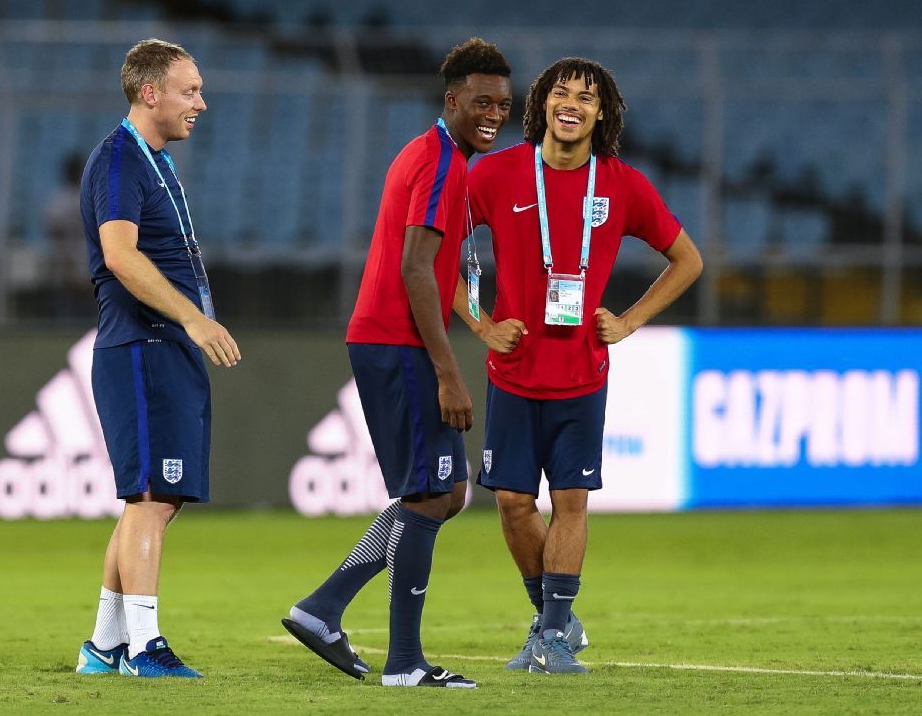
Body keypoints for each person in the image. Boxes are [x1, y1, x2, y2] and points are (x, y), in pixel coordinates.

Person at [281, 38, 513, 689]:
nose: (494, 112)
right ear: (452, 100)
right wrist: (448, 370)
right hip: (399, 341)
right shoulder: (442, 163)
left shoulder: (431, 154)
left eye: (502, 102)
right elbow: (415, 267)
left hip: (390, 337)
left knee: (443, 492)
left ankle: (323, 607)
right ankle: (404, 661)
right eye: (481, 101)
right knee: (431, 492)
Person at [464, 57, 703, 674]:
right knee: (514, 504)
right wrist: (481, 324)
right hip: (513, 374)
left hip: (581, 376)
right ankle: (559, 620)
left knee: (572, 502)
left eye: (586, 98)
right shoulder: (495, 174)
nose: (571, 104)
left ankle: (547, 636)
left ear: (603, 115)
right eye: (561, 93)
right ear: (542, 103)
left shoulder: (622, 185)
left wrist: (627, 321)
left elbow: (687, 260)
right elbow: (437, 250)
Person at [73, 38, 240, 680]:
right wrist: (193, 317)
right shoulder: (119, 160)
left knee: (156, 498)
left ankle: (106, 644)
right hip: (142, 348)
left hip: (161, 346)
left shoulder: (155, 161)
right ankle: (144, 646)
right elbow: (119, 254)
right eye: (189, 90)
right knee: (150, 496)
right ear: (150, 93)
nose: (201, 102)